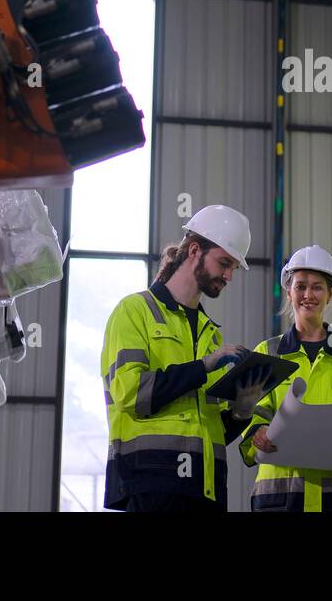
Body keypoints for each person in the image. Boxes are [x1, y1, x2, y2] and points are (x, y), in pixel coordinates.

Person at [100, 204, 270, 512]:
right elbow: (130, 392)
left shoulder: (210, 335)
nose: (229, 275)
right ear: (194, 250)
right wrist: (203, 367)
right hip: (151, 486)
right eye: (224, 263)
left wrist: (241, 413)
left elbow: (208, 430)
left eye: (233, 267)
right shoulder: (134, 312)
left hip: (206, 491)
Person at [238, 245, 332, 512]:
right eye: (300, 286)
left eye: (317, 287)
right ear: (289, 291)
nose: (308, 295)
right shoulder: (267, 353)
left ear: (331, 293)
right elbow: (250, 414)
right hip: (281, 499)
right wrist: (257, 432)